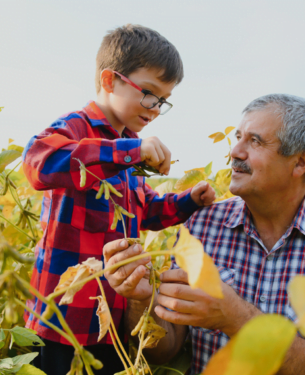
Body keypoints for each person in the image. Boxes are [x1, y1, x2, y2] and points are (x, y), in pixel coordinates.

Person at [103, 94, 305, 374]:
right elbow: (165, 349)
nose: (235, 152)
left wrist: (236, 318)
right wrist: (141, 300)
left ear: (299, 163)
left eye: (256, 141)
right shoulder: (203, 224)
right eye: (238, 137)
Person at [21, 24, 216, 375]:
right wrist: (129, 150)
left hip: (110, 319)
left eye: (163, 100)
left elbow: (148, 212)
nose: (155, 108)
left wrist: (189, 200)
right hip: (61, 321)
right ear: (110, 80)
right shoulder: (79, 129)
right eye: (149, 93)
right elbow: (38, 161)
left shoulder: (125, 150)